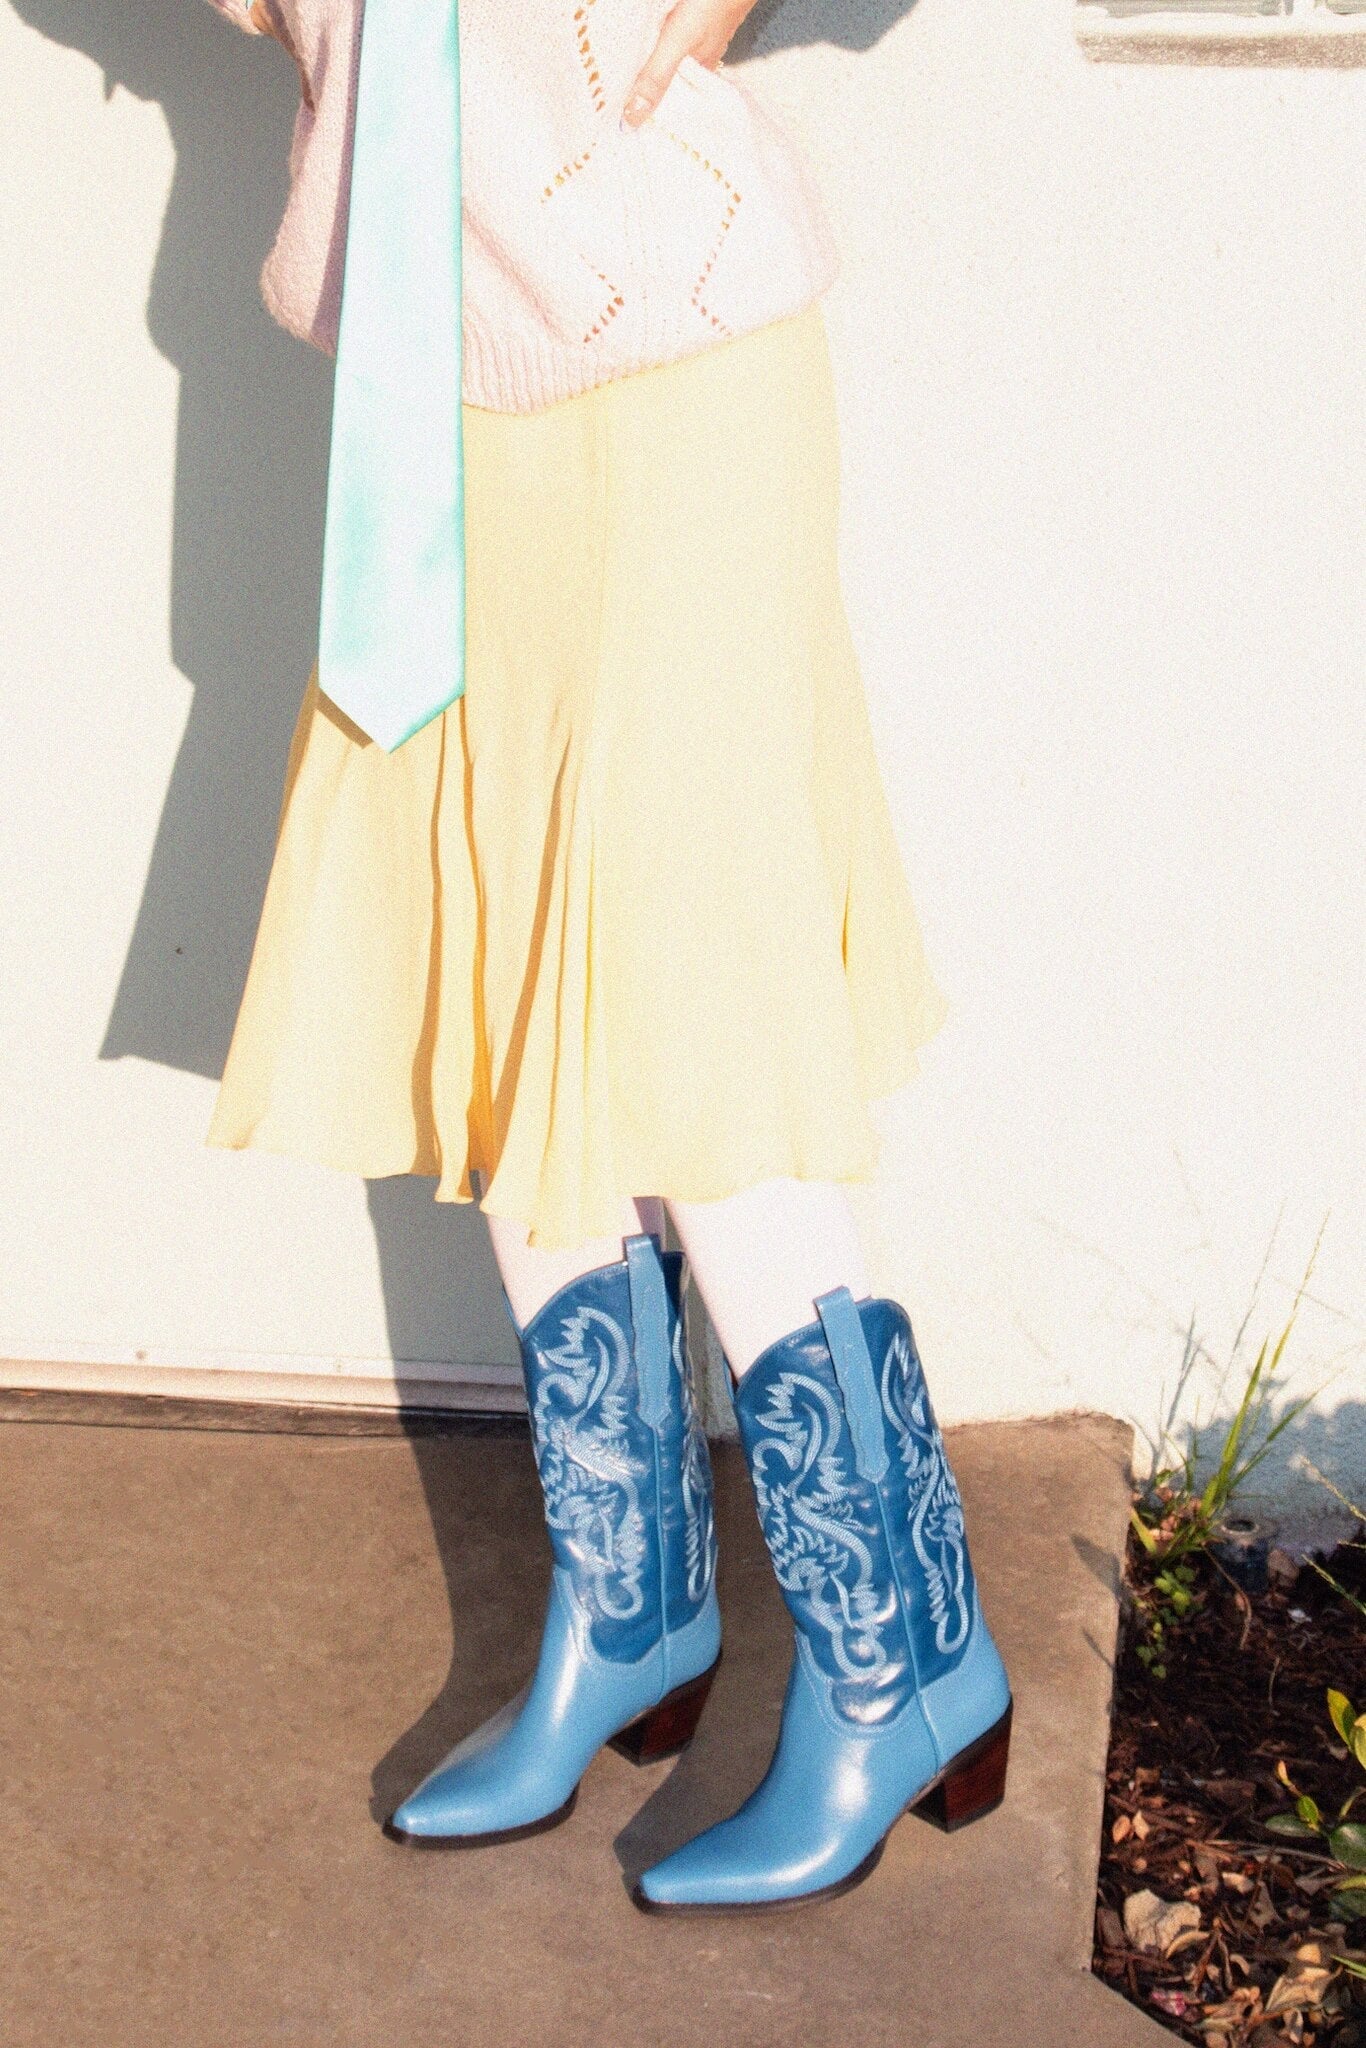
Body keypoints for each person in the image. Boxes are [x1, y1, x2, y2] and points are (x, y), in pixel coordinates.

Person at [202, 0, 1012, 1912]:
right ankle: (629, 1614)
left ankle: (900, 1660)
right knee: (501, 981)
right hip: (425, 376)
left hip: (676, 354)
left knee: (692, 993)